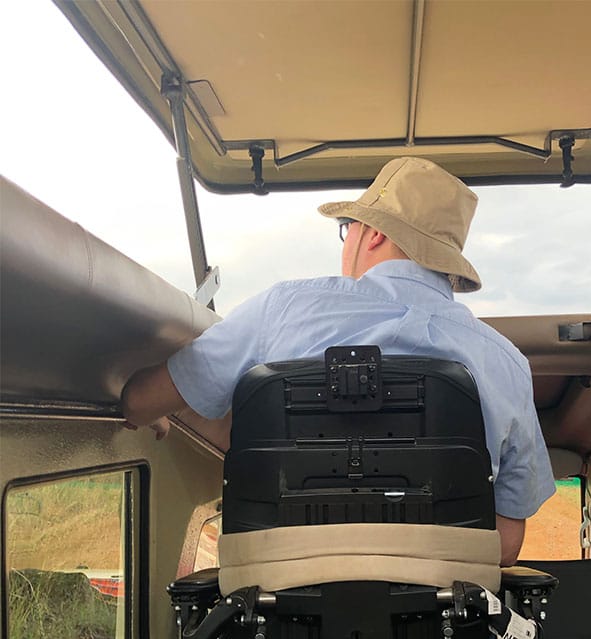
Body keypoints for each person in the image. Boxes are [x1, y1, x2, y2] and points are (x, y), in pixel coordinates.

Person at [121, 156, 555, 565]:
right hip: (440, 638)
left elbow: (139, 401)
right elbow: (505, 546)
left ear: (375, 234)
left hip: (275, 632)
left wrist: (158, 413)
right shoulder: (508, 365)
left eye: (348, 229)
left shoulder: (281, 309)